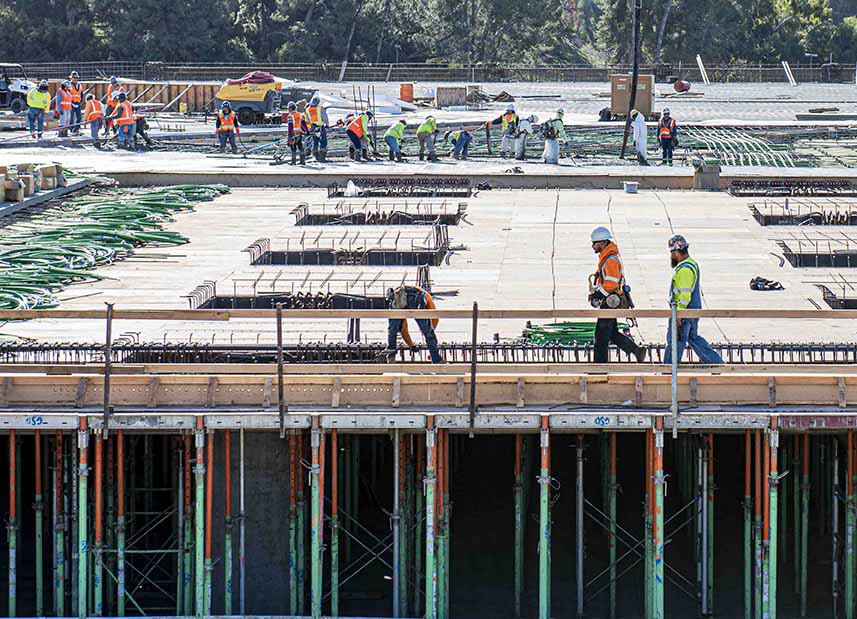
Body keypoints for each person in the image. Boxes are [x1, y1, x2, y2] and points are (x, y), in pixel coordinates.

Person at [588, 226, 647, 363]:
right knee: (611, 333)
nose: (592, 246)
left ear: (602, 243)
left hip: (610, 302)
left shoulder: (610, 260)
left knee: (601, 336)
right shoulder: (607, 257)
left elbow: (612, 282)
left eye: (594, 243)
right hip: (610, 300)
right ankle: (636, 351)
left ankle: (599, 368)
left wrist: (599, 294)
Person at [663, 235, 723, 365]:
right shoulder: (691, 264)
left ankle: (668, 371)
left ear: (676, 252)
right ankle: (716, 364)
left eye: (672, 252)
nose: (671, 255)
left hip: (683, 313)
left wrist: (678, 315)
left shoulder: (685, 270)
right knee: (693, 338)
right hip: (692, 311)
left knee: (675, 341)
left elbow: (685, 296)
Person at [385, 285, 443, 363]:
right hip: (416, 298)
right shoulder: (427, 298)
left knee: (392, 331)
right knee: (428, 332)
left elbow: (403, 329)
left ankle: (391, 358)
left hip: (398, 299)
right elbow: (435, 319)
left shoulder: (398, 297)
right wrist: (427, 333)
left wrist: (411, 345)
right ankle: (437, 359)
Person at [303, 92, 329, 161]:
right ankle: (322, 157)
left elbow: (307, 120)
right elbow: (325, 118)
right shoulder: (320, 108)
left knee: (315, 142)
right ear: (318, 101)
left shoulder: (307, 109)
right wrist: (327, 125)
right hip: (320, 127)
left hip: (313, 128)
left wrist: (310, 128)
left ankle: (316, 156)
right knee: (323, 141)